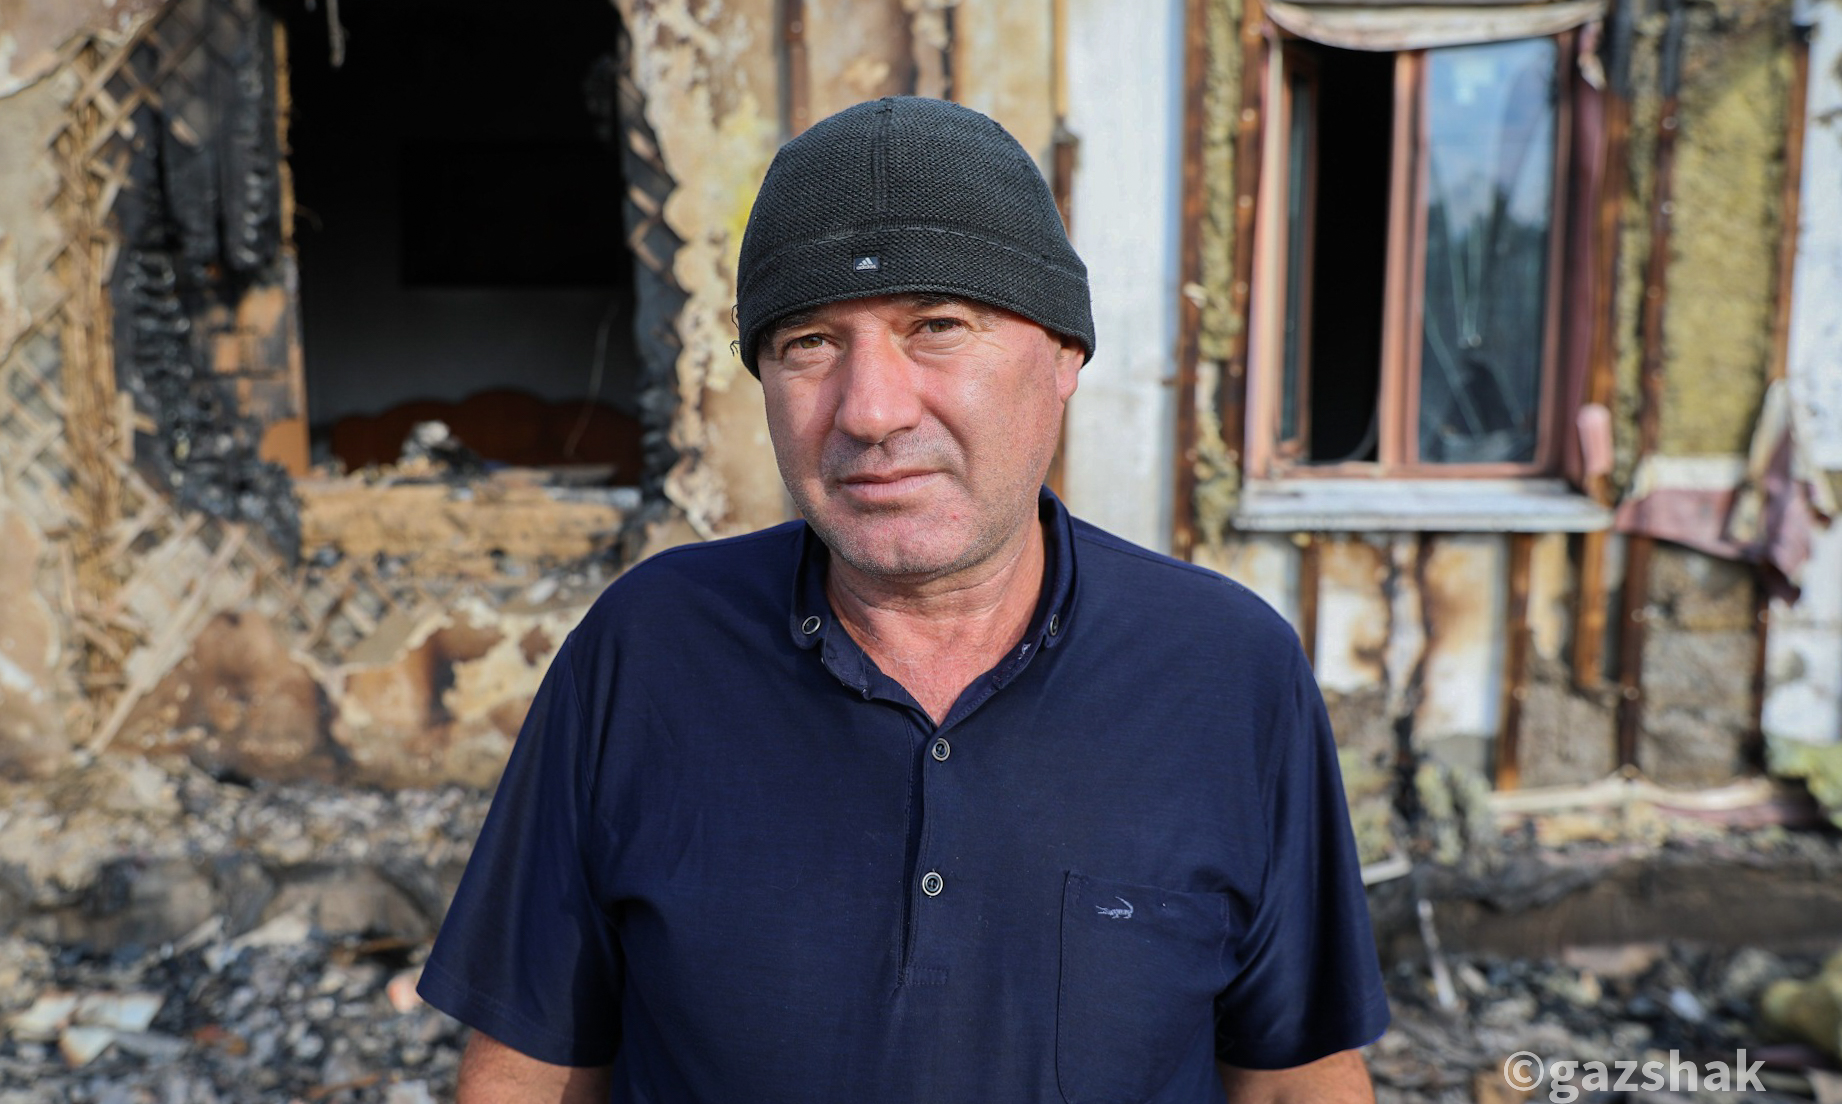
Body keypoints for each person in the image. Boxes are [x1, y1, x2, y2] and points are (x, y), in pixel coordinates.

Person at [418, 96, 1391, 1104]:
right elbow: (527, 1070)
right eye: (808, 343)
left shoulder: (1227, 672)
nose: (871, 411)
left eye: (937, 327)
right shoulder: (646, 651)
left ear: (1064, 352)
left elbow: (1296, 1079)